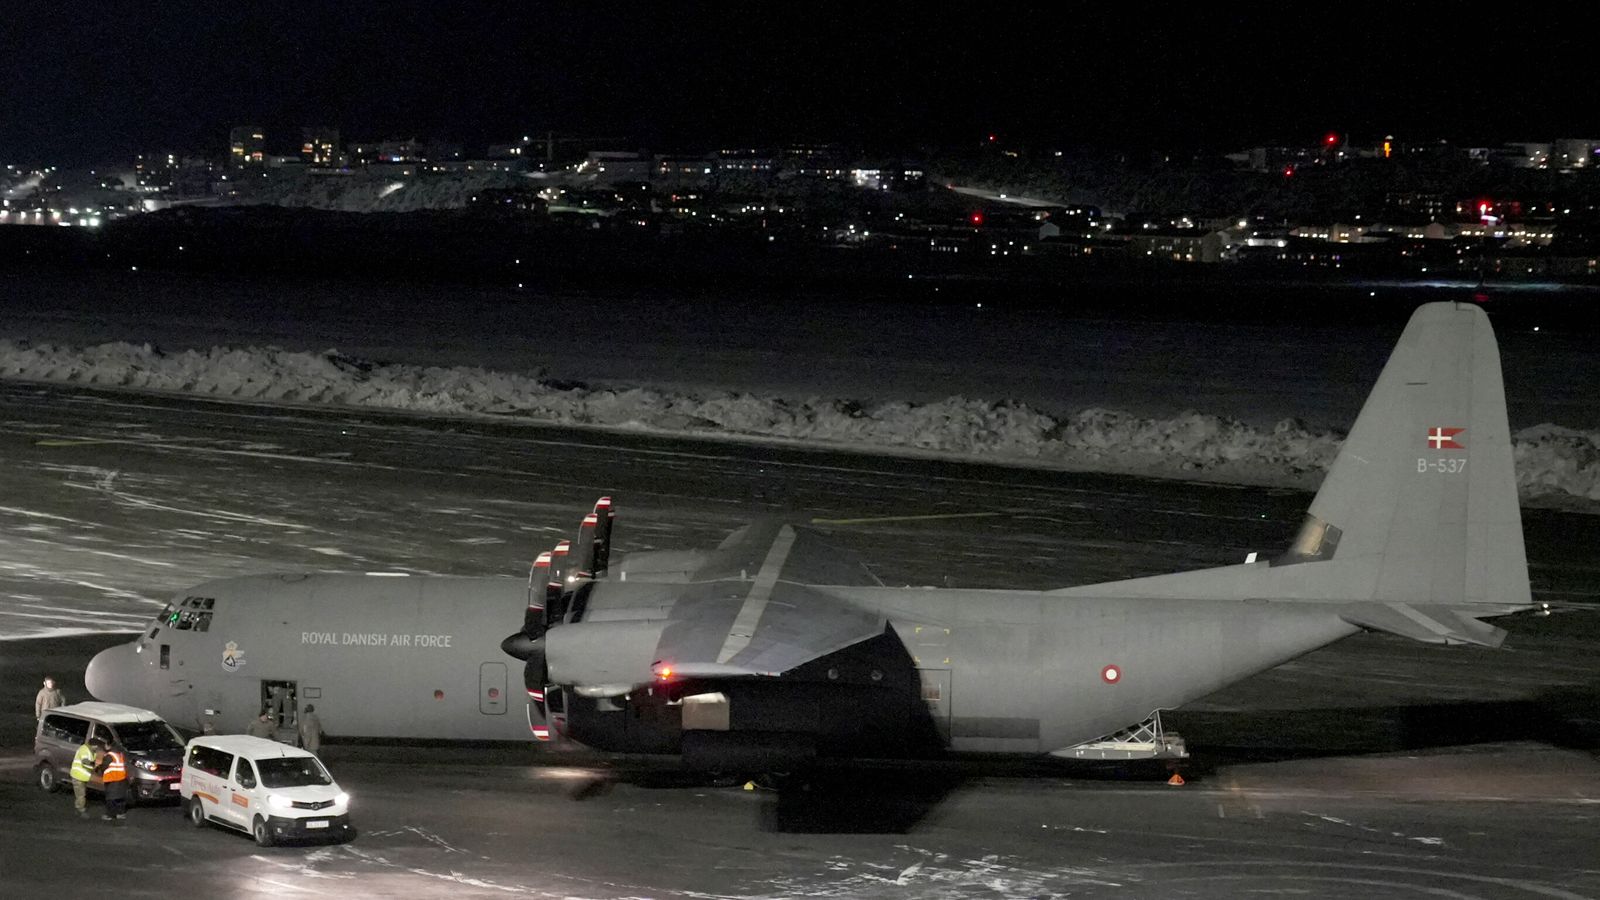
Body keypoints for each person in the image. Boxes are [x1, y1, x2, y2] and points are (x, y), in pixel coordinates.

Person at [96, 741, 129, 823]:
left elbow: (104, 766)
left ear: (109, 746)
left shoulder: (109, 755)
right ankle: (120, 813)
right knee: (120, 797)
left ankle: (110, 815)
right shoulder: (119, 754)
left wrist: (98, 769)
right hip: (121, 778)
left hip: (112, 779)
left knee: (111, 798)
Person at [69, 736, 99, 819]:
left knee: (80, 794)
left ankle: (77, 809)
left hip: (82, 776)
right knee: (81, 795)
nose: (97, 747)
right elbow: (85, 762)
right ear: (92, 745)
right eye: (96, 746)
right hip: (78, 776)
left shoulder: (91, 751)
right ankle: (81, 811)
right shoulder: (84, 750)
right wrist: (94, 767)